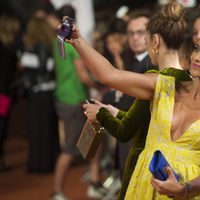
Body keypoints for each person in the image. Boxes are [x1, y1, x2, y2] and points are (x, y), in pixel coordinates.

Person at [63, 1, 200, 199]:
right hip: (145, 186)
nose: (197, 57)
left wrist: (184, 189)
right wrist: (77, 41)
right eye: (197, 48)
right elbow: (109, 75)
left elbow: (126, 129)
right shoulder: (164, 84)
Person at [51, 5, 105, 200]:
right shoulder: (72, 43)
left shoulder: (57, 41)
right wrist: (100, 86)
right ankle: (57, 191)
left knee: (93, 139)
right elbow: (83, 76)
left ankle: (95, 182)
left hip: (66, 97)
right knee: (70, 149)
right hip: (74, 99)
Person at [20, 16, 59, 173]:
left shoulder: (36, 45)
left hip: (38, 92)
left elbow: (41, 66)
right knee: (45, 128)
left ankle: (40, 164)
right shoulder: (44, 44)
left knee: (39, 128)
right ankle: (45, 163)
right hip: (44, 91)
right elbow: (46, 66)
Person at [0, 12, 20, 171]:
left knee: (3, 126)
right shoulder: (5, 47)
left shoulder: (9, 44)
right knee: (1, 126)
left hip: (5, 92)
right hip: (2, 93)